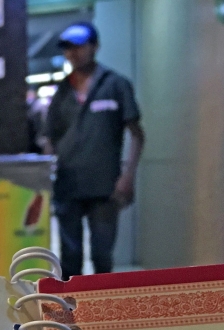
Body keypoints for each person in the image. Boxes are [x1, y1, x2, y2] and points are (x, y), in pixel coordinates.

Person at [44, 21, 145, 277]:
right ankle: (72, 304)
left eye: (79, 46)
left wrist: (128, 176)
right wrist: (49, 169)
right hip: (68, 185)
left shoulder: (116, 84)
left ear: (95, 47)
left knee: (102, 255)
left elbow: (137, 135)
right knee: (70, 257)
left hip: (105, 186)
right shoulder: (62, 91)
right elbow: (49, 137)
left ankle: (103, 302)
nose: (73, 53)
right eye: (67, 48)